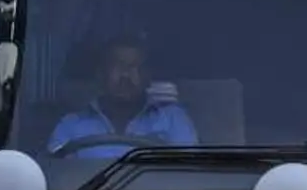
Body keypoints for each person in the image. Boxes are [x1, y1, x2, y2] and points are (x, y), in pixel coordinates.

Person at [47, 37, 198, 156]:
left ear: (147, 77)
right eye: (117, 66)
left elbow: (189, 175)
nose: (126, 75)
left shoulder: (173, 120)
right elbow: (56, 176)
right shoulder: (70, 126)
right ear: (101, 74)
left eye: (135, 67)